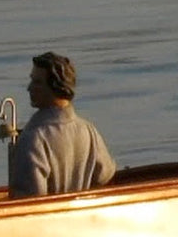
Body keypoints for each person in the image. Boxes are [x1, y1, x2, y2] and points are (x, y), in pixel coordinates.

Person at [8, 51, 117, 198]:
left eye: (37, 82)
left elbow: (31, 197)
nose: (29, 88)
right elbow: (104, 176)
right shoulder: (88, 130)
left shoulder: (34, 138)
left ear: (54, 87)